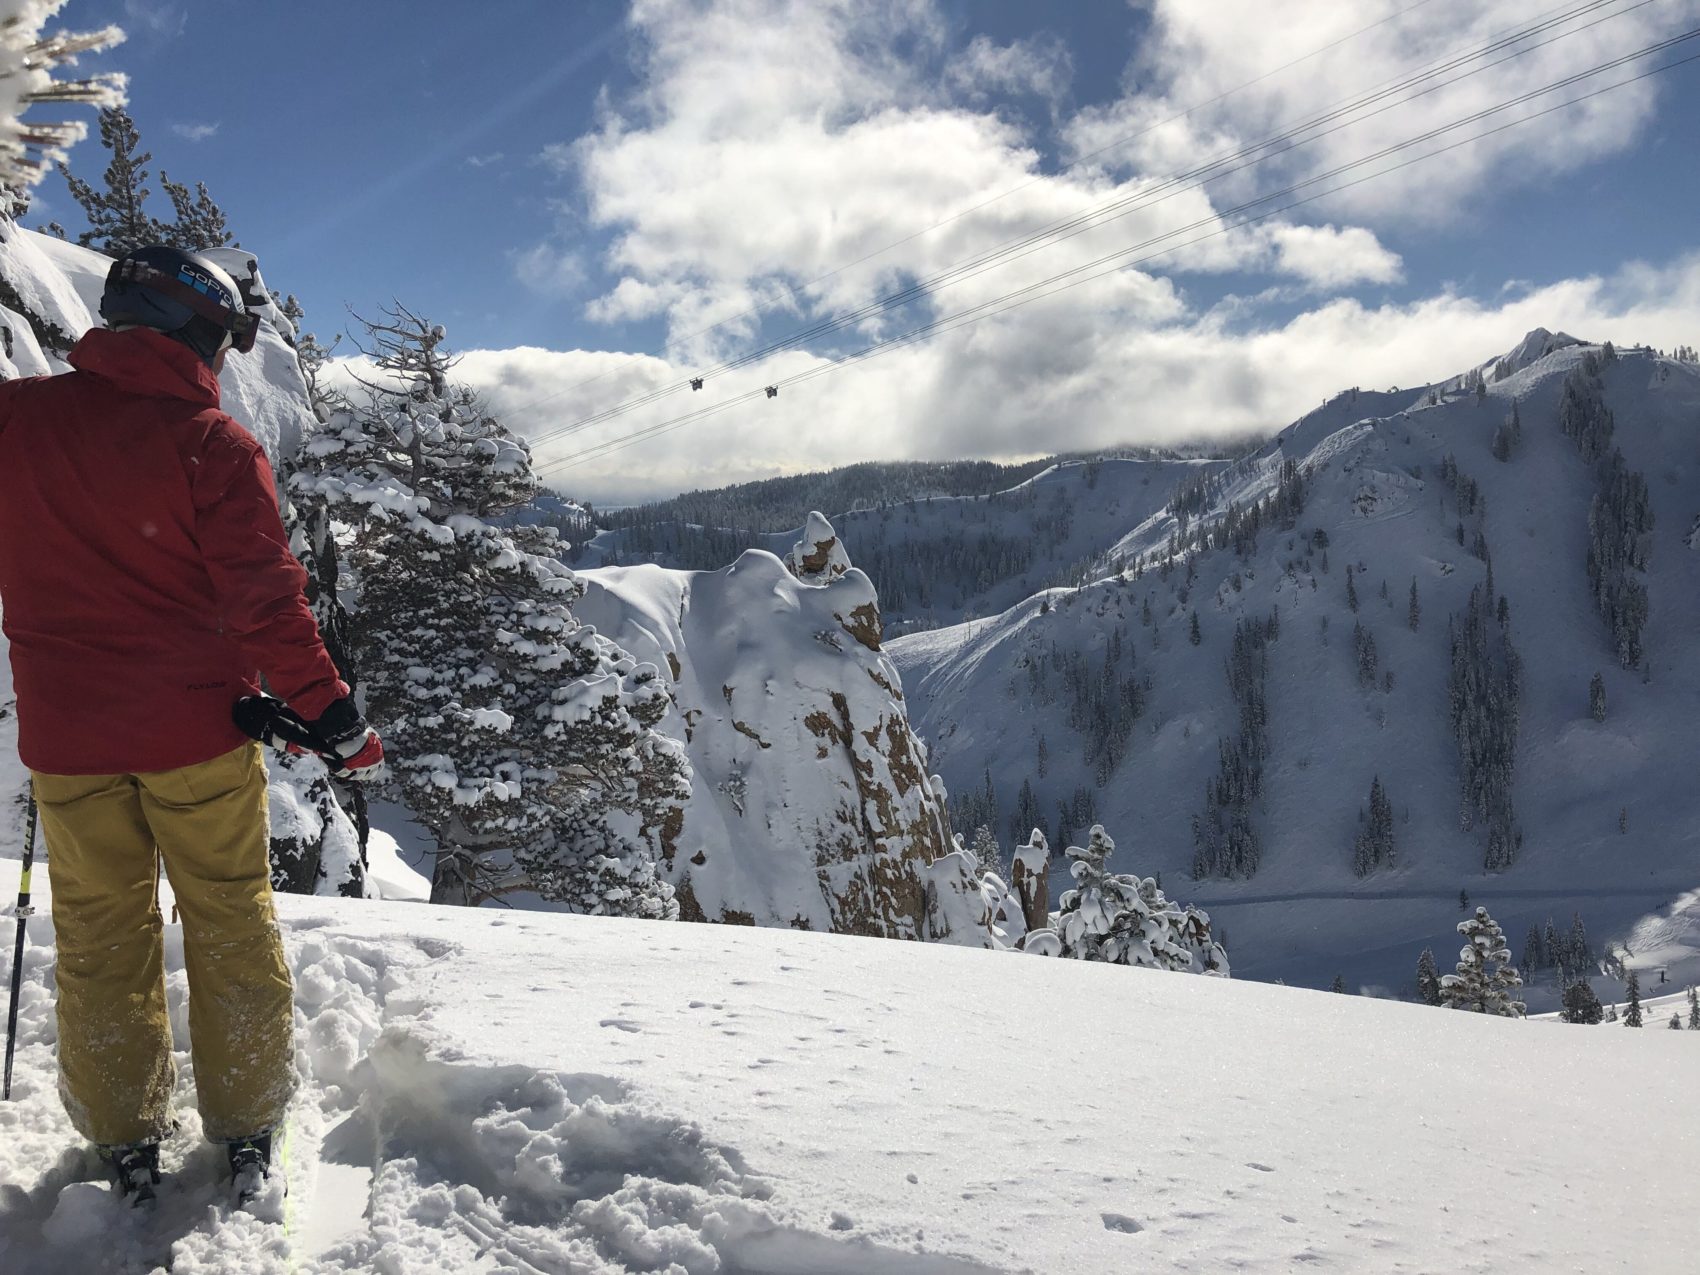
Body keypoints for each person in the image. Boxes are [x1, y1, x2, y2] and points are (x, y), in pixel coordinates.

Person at [0, 245, 384, 1204]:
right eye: (218, 341)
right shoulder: (213, 444)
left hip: (67, 741)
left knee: (97, 935)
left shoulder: (15, 420)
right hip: (194, 740)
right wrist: (335, 719)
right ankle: (247, 1125)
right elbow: (269, 606)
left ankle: (123, 1135)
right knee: (227, 923)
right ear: (196, 334)